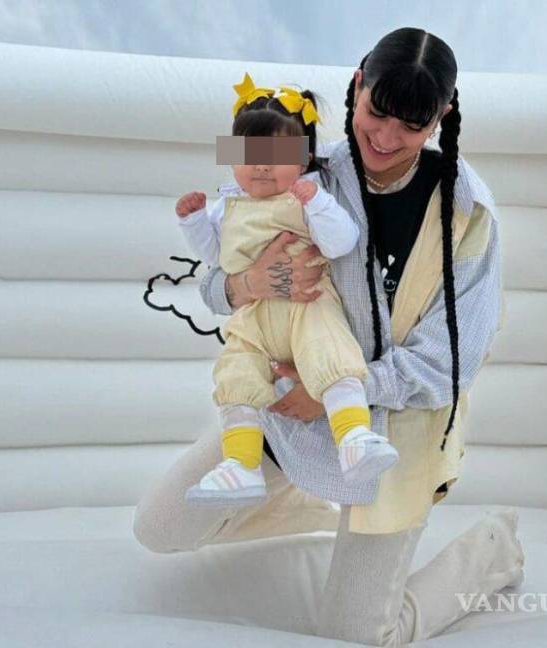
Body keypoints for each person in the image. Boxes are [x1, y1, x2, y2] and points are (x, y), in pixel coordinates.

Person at [135, 27, 524, 646]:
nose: (386, 138)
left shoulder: (468, 211)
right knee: (158, 527)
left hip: (392, 429)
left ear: (441, 119)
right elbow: (212, 281)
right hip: (289, 412)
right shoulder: (305, 170)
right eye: (377, 112)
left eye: (412, 126)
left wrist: (338, 389)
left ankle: (492, 551)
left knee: (359, 634)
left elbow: (451, 362)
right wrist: (245, 284)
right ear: (357, 85)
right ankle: (316, 501)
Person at [176, 73, 399, 508]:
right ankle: (240, 465)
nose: (261, 165)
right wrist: (193, 223)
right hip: (253, 318)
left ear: (302, 159)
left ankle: (353, 436)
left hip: (307, 307)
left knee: (331, 353)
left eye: (276, 155)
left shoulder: (310, 196)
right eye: (249, 154)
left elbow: (342, 242)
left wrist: (317, 203)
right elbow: (215, 257)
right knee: (235, 373)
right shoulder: (226, 206)